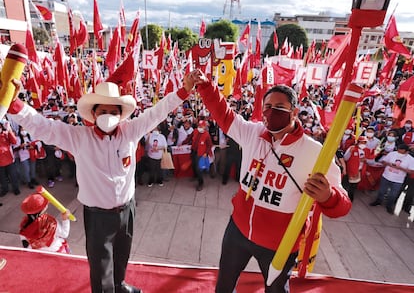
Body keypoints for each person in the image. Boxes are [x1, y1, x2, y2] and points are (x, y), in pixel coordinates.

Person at [6, 79, 195, 293]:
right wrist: (15, 104)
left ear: (121, 114)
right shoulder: (78, 138)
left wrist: (184, 90)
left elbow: (157, 112)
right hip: (98, 217)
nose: (108, 115)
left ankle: (119, 285)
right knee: (100, 265)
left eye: (113, 111)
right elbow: (43, 127)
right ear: (93, 114)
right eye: (103, 110)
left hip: (127, 210)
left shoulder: (130, 132)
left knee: (122, 255)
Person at [187, 69, 352, 293]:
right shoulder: (252, 133)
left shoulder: (314, 153)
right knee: (224, 285)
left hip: (280, 245)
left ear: (294, 112)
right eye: (267, 107)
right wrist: (205, 86)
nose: (271, 112)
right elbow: (224, 115)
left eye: (280, 108)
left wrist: (327, 197)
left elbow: (342, 205)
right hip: (238, 231)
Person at [370, 143, 414, 214]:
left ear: (406, 151)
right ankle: (378, 201)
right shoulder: (392, 154)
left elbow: (411, 171)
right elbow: (383, 161)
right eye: (398, 151)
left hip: (398, 180)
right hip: (386, 176)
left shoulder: (410, 159)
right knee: (381, 191)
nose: (399, 153)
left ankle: (389, 206)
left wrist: (400, 168)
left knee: (393, 195)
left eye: (401, 152)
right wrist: (388, 164)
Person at [0, 118, 20, 196]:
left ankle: (16, 188)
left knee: (13, 176)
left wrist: (9, 130)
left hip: (9, 160)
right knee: (2, 178)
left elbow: (14, 141)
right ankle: (5, 189)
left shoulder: (5, 134)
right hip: (0, 163)